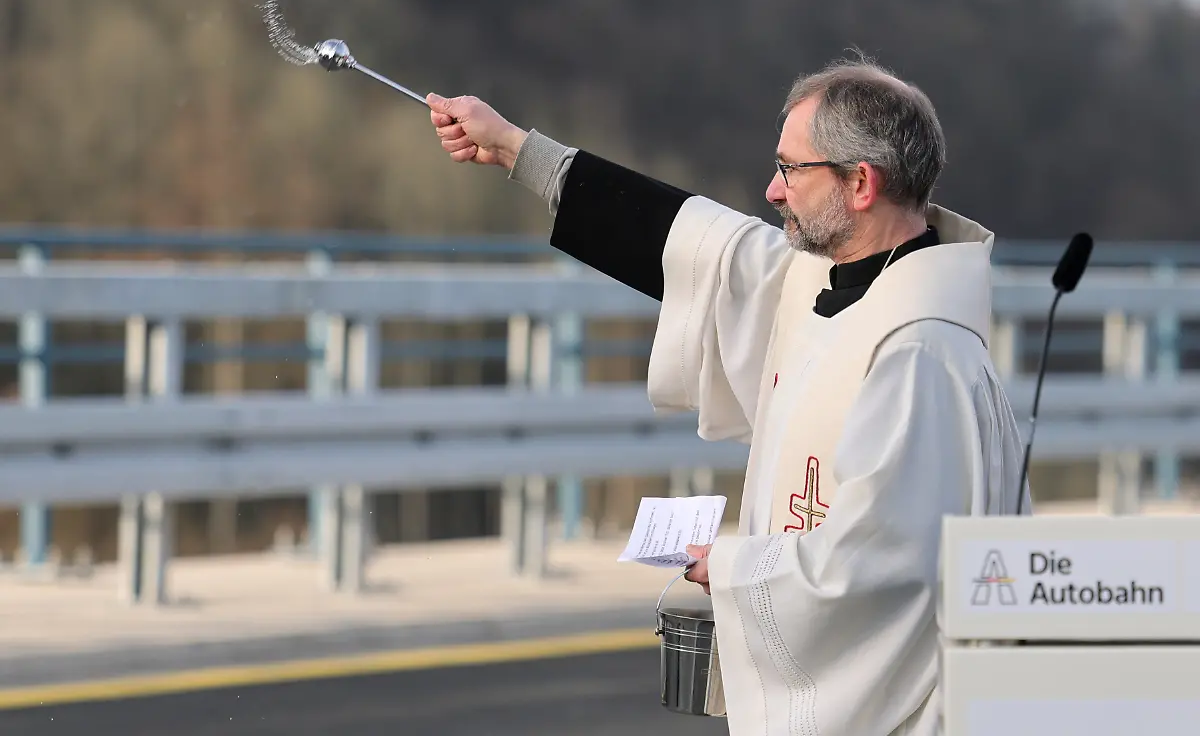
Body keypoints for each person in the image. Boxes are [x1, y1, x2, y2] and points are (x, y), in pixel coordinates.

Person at [424, 54, 1028, 736]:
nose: (772, 191)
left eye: (791, 169)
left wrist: (735, 568)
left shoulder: (918, 351)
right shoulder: (828, 281)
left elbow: (880, 564)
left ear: (861, 183)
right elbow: (687, 241)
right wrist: (514, 149)